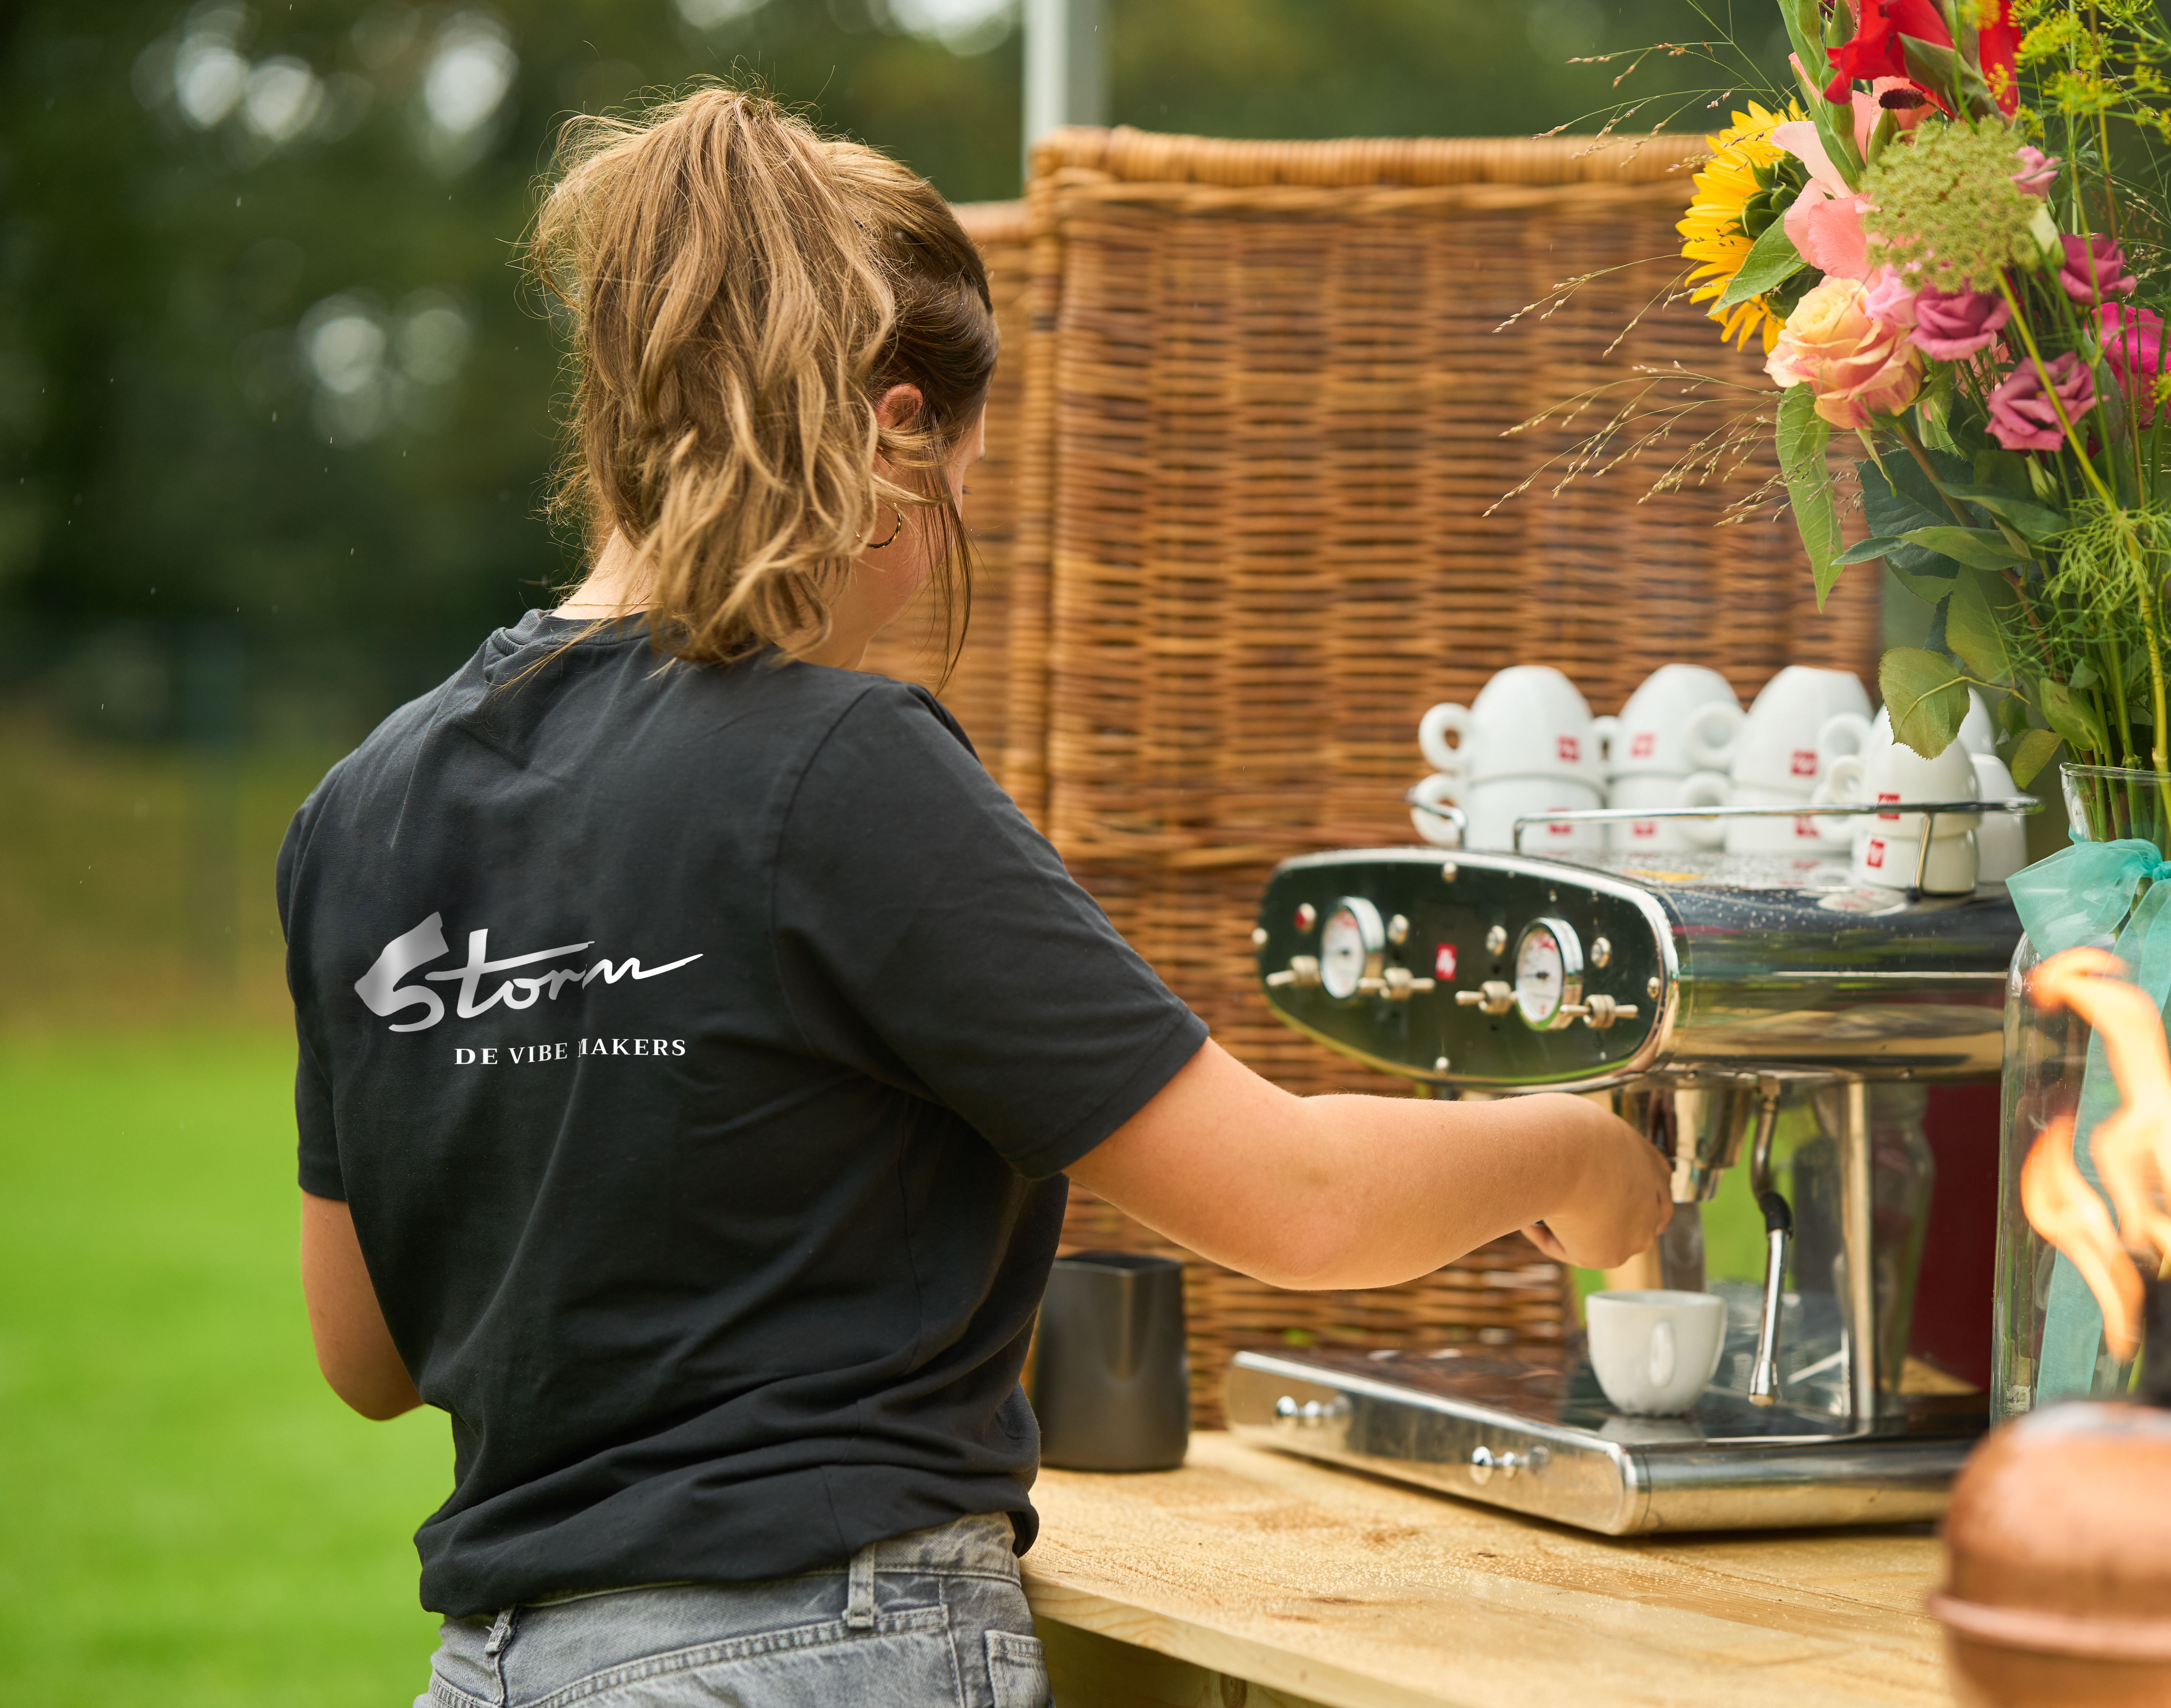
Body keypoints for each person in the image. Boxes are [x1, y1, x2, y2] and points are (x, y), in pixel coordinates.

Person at [280, 87, 1670, 1708]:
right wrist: (1580, 1153)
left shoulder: (362, 805)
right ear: (895, 433)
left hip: (497, 1669)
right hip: (812, 1654)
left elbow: (368, 1354)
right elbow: (1294, 1197)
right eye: (961, 491)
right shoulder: (835, 764)